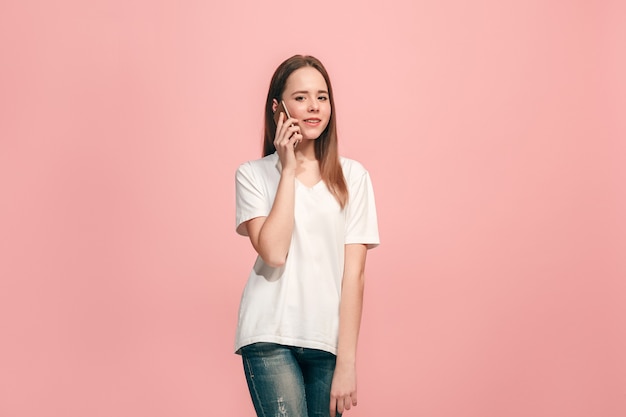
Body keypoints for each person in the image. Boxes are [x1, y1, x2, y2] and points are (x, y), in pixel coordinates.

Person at [234, 54, 380, 417]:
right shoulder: (252, 175)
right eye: (300, 97)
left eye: (322, 96)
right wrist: (287, 171)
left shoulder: (354, 177)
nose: (314, 107)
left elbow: (355, 275)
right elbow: (274, 253)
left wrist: (348, 361)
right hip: (269, 333)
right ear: (277, 107)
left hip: (327, 340)